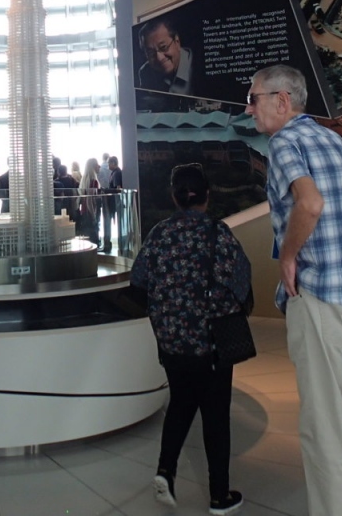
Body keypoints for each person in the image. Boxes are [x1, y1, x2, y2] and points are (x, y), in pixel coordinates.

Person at [247, 64, 342, 516]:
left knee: (322, 428)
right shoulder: (333, 139)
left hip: (322, 297)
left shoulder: (285, 142)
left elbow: (310, 203)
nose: (249, 108)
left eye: (254, 98)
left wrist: (288, 256)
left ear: (282, 101)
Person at [130, 162, 250, 516]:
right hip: (211, 341)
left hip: (171, 341)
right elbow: (241, 281)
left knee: (180, 404)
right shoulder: (218, 233)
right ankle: (219, 496)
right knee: (216, 417)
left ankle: (166, 470)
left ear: (174, 196)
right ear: (207, 195)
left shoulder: (160, 233)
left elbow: (139, 278)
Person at [137, 17, 200, 95]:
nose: (159, 58)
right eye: (150, 52)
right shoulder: (145, 72)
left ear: (177, 42)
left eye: (163, 47)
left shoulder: (200, 65)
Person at [102, 155, 124, 253]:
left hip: (113, 203)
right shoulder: (116, 172)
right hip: (113, 202)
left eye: (109, 163)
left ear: (113, 163)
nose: (108, 165)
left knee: (109, 223)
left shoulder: (116, 173)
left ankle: (109, 244)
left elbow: (117, 188)